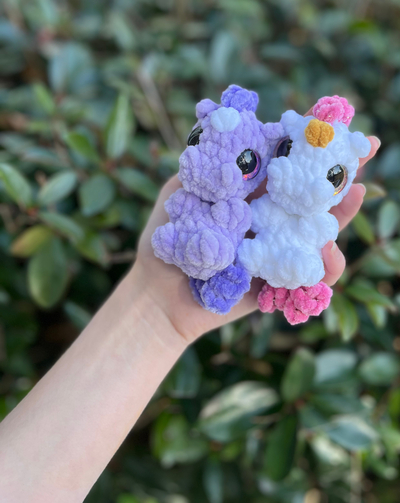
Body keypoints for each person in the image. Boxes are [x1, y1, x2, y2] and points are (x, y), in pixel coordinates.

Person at [0, 126, 380, 503]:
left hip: (254, 255)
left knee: (274, 263)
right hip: (218, 245)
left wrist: (159, 311)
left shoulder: (271, 213)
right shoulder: (243, 207)